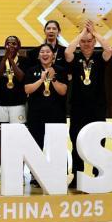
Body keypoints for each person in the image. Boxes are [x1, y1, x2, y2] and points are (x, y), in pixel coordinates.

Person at [64, 20, 112, 189]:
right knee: (76, 141)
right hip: (78, 107)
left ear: (94, 42)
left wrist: (95, 33)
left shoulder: (100, 58)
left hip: (97, 106)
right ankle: (77, 176)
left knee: (98, 141)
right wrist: (82, 34)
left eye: (89, 41)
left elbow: (109, 50)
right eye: (83, 42)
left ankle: (98, 174)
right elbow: (67, 52)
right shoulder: (75, 58)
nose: (86, 44)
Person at [24, 44, 68, 187]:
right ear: (38, 56)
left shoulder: (60, 70)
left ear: (53, 55)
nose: (45, 54)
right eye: (42, 52)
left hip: (56, 114)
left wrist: (53, 78)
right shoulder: (32, 70)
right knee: (36, 145)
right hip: (36, 114)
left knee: (57, 145)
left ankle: (59, 174)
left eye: (48, 51)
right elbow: (27, 89)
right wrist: (41, 79)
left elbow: (63, 91)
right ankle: (35, 176)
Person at [0, 36, 28, 185]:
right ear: (4, 46)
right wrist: (5, 58)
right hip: (0, 104)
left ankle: (19, 173)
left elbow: (21, 78)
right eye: (8, 43)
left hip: (18, 104)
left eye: (14, 43)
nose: (11, 46)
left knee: (18, 140)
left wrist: (12, 61)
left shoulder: (25, 61)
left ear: (19, 46)